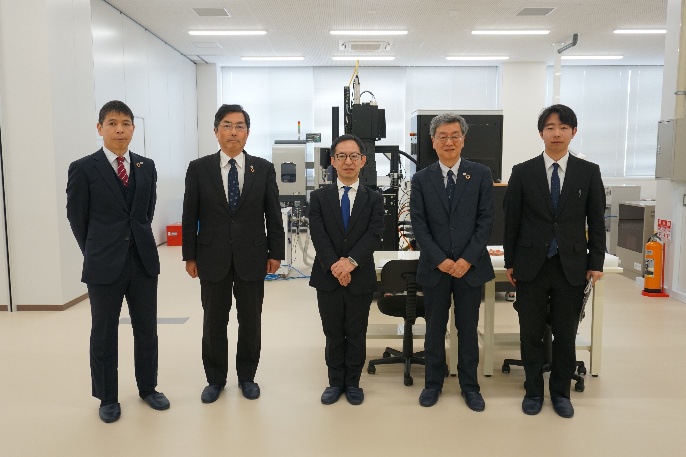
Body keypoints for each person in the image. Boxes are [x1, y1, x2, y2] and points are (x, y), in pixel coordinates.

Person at [66, 100, 170, 423]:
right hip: (103, 263)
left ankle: (148, 388)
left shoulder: (146, 166)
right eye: (112, 123)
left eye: (126, 124)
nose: (119, 130)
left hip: (142, 261)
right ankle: (107, 397)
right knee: (104, 333)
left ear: (133, 129)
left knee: (146, 329)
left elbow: (145, 213)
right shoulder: (84, 168)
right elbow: (77, 217)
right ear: (100, 128)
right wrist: (95, 249)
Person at [503, 104, 605, 418]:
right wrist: (510, 262)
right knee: (530, 332)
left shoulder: (588, 172)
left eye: (563, 127)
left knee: (565, 334)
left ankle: (561, 394)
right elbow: (512, 220)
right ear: (541, 133)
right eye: (550, 127)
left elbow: (596, 220)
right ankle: (533, 391)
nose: (556, 133)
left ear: (573, 132)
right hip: (531, 264)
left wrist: (596, 261)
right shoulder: (523, 171)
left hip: (571, 265)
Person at [182, 104, 284, 404]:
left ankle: (247, 377)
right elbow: (189, 215)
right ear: (216, 131)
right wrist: (189, 255)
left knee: (250, 320)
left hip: (252, 256)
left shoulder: (262, 169)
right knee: (214, 320)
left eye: (240, 126)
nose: (233, 132)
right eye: (227, 125)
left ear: (248, 133)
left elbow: (273, 214)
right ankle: (215, 380)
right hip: (211, 257)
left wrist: (276, 252)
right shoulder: (199, 169)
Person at [410, 113, 495, 410]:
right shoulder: (421, 179)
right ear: (433, 142)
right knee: (434, 329)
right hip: (436, 268)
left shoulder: (480, 174)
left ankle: (470, 386)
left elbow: (485, 221)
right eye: (443, 136)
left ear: (463, 139)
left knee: (468, 329)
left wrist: (466, 259)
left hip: (470, 268)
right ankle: (432, 384)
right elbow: (419, 225)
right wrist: (441, 260)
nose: (449, 141)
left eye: (455, 135)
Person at [308, 134, 384, 406]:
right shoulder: (318, 198)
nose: (348, 161)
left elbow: (374, 234)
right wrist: (335, 265)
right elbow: (319, 236)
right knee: (332, 332)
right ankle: (334, 382)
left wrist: (350, 262)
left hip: (359, 276)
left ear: (363, 161)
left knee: (355, 331)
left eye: (353, 156)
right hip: (327, 276)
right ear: (333, 161)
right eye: (342, 156)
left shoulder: (374, 199)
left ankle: (353, 383)